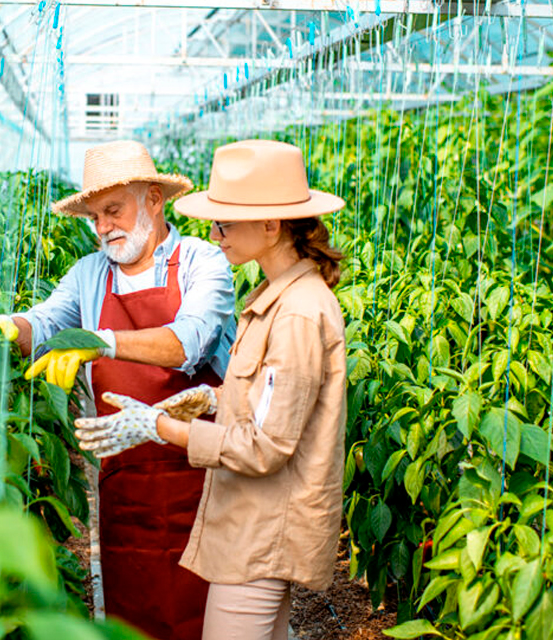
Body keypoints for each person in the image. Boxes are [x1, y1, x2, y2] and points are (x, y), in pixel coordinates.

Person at [73, 139, 348, 640]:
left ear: (272, 225)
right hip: (246, 519)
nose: (215, 232)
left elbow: (265, 447)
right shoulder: (271, 298)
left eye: (226, 222)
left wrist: (158, 424)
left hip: (260, 530)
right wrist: (216, 400)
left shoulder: (299, 313)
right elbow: (270, 406)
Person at [0, 140, 237, 639]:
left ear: (153, 199)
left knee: (205, 616)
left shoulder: (199, 261)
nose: (103, 227)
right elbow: (43, 323)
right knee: (132, 615)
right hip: (126, 487)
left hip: (200, 476)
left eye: (113, 210)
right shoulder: (90, 275)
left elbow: (187, 342)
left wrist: (99, 341)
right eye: (94, 216)